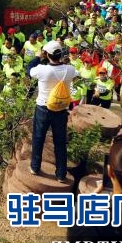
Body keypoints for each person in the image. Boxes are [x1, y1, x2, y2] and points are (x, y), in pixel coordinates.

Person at [28, 41, 77, 183]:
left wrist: (38, 57)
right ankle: (61, 174)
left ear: (46, 54)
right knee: (60, 142)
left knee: (38, 138)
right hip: (61, 109)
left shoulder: (42, 69)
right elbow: (75, 73)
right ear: (61, 54)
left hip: (43, 107)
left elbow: (29, 69)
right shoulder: (70, 70)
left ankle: (35, 167)